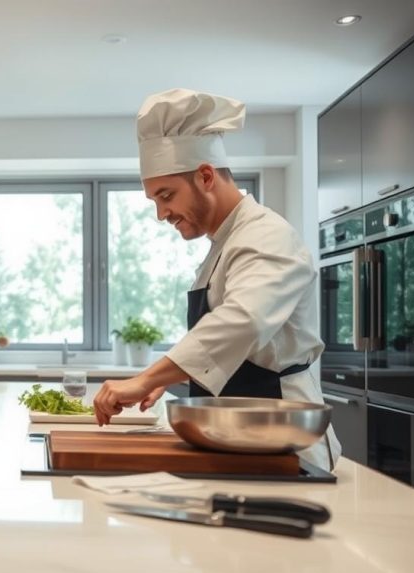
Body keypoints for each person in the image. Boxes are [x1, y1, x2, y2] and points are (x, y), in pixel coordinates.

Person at [93, 88, 340, 470]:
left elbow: (243, 321)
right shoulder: (224, 243)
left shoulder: (266, 235)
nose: (161, 214)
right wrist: (170, 377)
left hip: (285, 441)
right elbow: (231, 345)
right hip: (240, 435)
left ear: (206, 176)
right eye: (155, 201)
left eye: (166, 195)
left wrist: (146, 378)